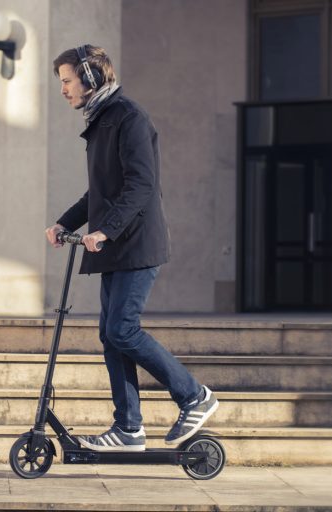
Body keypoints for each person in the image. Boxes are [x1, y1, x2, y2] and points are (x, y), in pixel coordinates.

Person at [45, 45, 218, 452]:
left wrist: (105, 230)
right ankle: (128, 429)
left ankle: (194, 395)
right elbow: (101, 192)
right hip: (116, 246)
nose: (64, 90)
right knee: (111, 334)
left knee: (123, 328)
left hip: (136, 244)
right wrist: (64, 223)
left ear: (89, 79)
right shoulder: (102, 119)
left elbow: (142, 186)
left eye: (67, 81)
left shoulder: (129, 118)